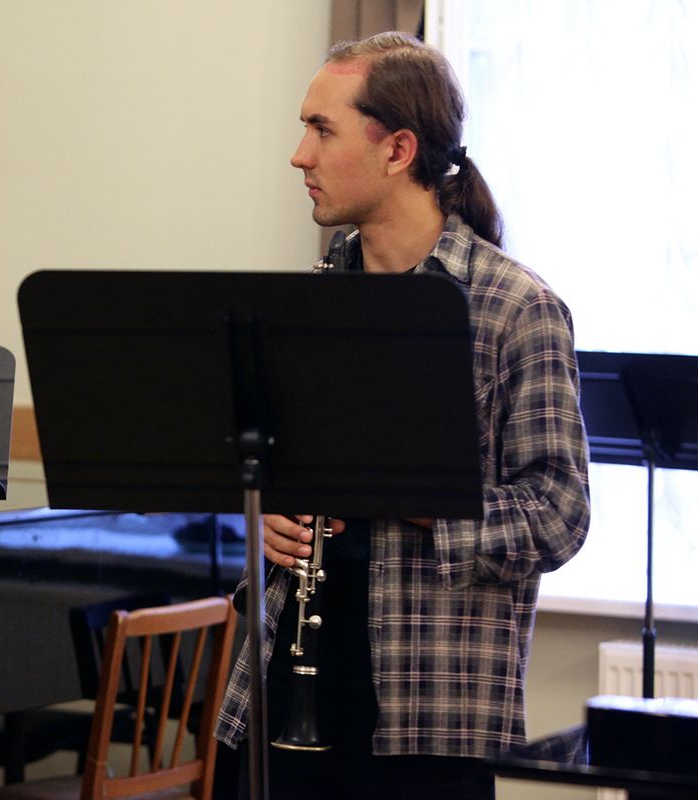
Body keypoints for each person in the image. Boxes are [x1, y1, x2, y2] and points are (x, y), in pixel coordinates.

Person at [214, 32, 591, 800]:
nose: (299, 156)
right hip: (282, 691)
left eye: (322, 130)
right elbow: (270, 465)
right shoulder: (311, 296)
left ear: (397, 150)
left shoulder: (515, 309)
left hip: (431, 717)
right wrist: (264, 514)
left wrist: (417, 497)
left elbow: (560, 514)